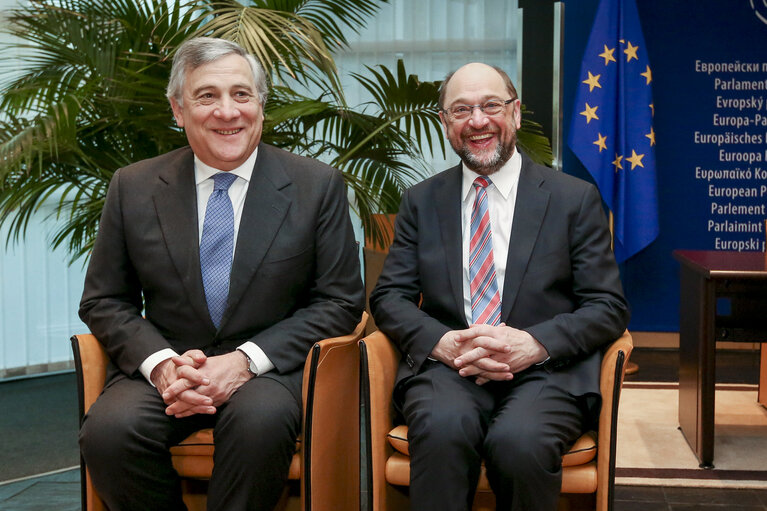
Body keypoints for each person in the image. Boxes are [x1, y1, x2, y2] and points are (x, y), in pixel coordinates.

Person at [78, 37, 365, 511]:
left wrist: (243, 361)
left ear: (261, 105)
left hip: (267, 371)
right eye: (207, 96)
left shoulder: (316, 186)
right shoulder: (133, 187)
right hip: (168, 365)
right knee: (110, 432)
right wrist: (164, 366)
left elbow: (339, 301)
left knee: (259, 424)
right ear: (178, 109)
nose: (227, 112)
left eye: (241, 94)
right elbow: (104, 299)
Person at [369, 62, 630, 511]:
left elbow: (607, 306)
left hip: (548, 372)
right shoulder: (421, 201)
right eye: (461, 109)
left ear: (515, 112)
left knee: (520, 443)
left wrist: (534, 343)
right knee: (442, 431)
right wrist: (443, 343)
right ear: (444, 122)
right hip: (452, 367)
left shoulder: (573, 199)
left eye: (491, 105)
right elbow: (388, 297)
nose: (478, 121)